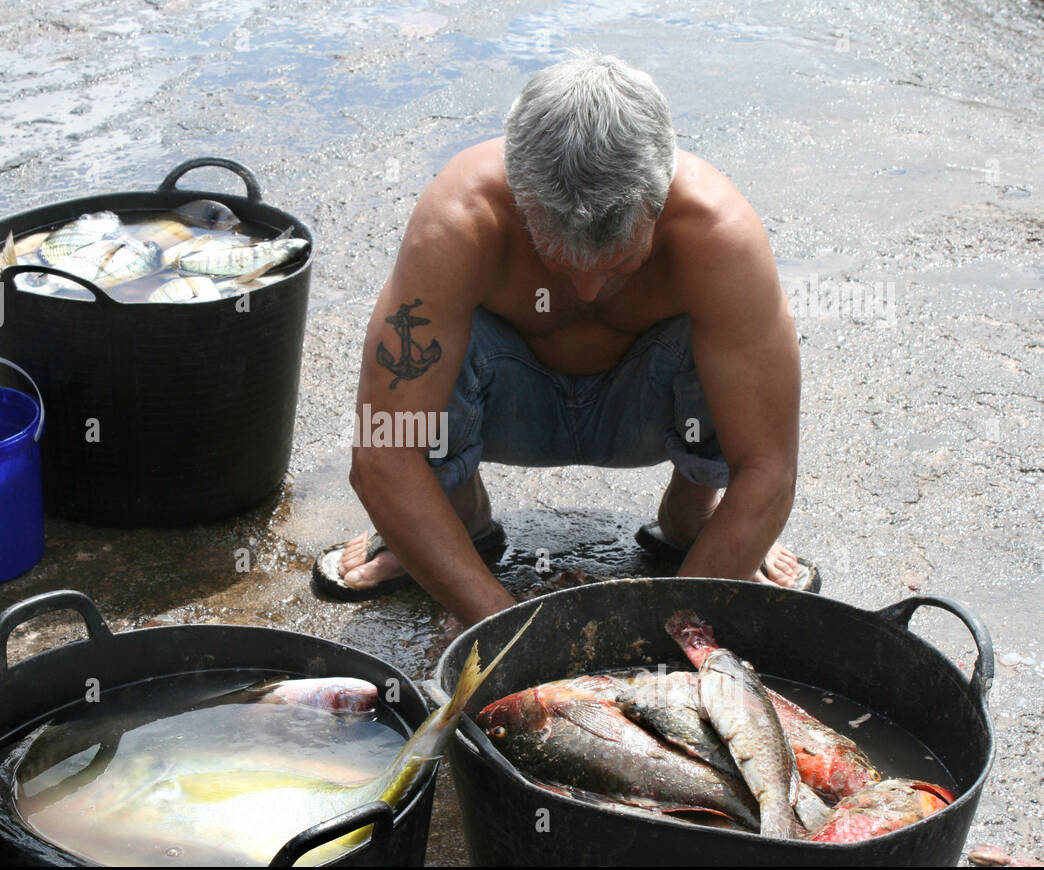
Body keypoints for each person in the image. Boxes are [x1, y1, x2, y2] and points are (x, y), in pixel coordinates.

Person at [313, 51, 819, 627]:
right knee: (423, 346)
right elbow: (384, 449)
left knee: (721, 329)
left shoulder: (718, 233)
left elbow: (769, 466)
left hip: (648, 409)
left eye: (622, 264)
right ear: (520, 200)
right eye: (557, 261)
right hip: (505, 402)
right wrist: (508, 631)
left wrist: (672, 629)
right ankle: (453, 524)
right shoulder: (460, 218)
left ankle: (694, 520)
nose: (588, 288)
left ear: (659, 202)